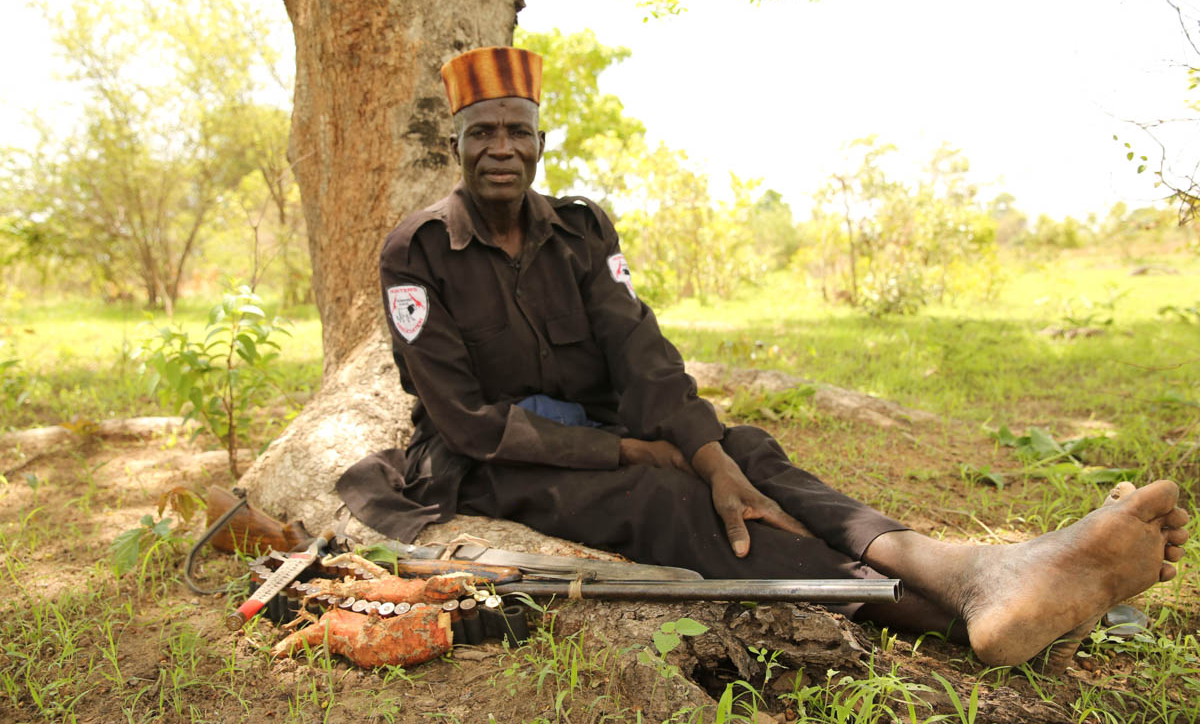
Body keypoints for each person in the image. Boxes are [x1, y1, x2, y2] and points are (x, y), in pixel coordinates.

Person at [337, 46, 1189, 668]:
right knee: (659, 496)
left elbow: (641, 351)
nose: (500, 150)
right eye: (480, 132)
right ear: (454, 143)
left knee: (746, 456)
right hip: (491, 462)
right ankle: (960, 604)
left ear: (540, 139)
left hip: (600, 422)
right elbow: (465, 421)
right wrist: (637, 449)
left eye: (516, 132)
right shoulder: (417, 252)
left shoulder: (582, 231)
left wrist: (709, 456)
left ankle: (962, 568)